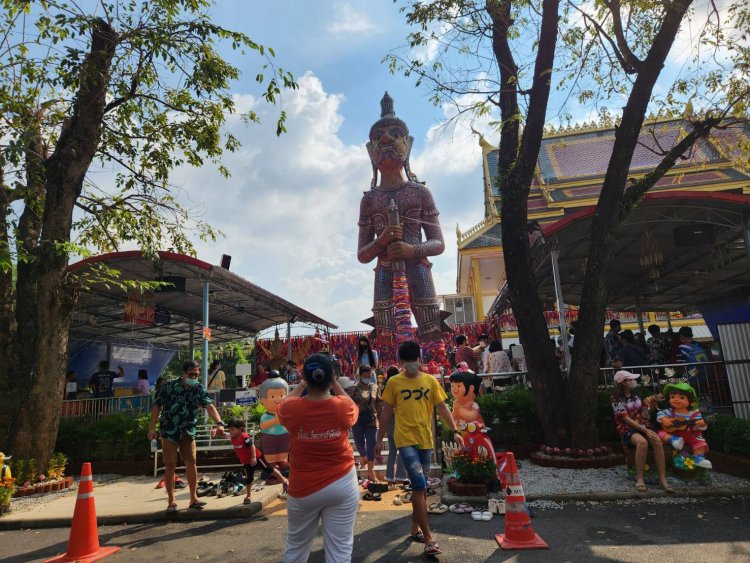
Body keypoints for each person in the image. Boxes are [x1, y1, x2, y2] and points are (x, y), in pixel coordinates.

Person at [357, 92, 447, 342]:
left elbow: (438, 243)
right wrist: (382, 240)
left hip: (418, 268)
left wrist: (410, 249)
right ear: (370, 151)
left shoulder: (420, 193)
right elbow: (362, 254)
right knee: (385, 337)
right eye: (378, 137)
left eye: (396, 134)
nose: (386, 139)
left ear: (408, 144)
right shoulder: (369, 200)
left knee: (432, 334)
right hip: (385, 271)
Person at [376, 341, 464, 557]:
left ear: (420, 359)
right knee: (418, 485)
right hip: (404, 440)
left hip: (426, 440)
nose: (412, 364)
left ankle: (415, 528)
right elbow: (386, 413)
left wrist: (454, 430)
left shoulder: (430, 380)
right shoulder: (394, 383)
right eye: (408, 361)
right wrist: (379, 439)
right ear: (402, 363)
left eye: (414, 360)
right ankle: (429, 538)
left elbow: (443, 406)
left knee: (421, 488)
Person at [277, 353, 359, 563]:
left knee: (296, 547)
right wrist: (335, 383)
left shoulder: (293, 409)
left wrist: (301, 384)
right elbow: (352, 406)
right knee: (340, 550)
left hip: (303, 486)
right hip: (342, 482)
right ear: (331, 377)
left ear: (305, 376)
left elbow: (282, 406)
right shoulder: (342, 406)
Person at [147, 360, 226, 512]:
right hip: (169, 430)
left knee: (192, 462)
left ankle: (193, 498)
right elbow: (156, 406)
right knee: (170, 465)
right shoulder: (168, 387)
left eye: (196, 374)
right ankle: (171, 501)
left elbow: (209, 405)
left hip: (188, 431)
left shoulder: (199, 388)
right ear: (183, 374)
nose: (194, 377)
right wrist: (152, 428)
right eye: (191, 374)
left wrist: (219, 423)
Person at [610, 370, 673, 494]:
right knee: (642, 442)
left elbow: (645, 412)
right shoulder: (615, 399)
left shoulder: (637, 394)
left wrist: (653, 406)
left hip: (644, 424)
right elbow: (625, 418)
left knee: (657, 442)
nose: (633, 381)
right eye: (630, 379)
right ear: (623, 382)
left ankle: (663, 479)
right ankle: (640, 478)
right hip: (627, 428)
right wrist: (643, 429)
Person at [224, 417, 289, 505]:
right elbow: (223, 434)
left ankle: (283, 480)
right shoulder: (231, 437)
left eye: (232, 429)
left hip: (257, 458)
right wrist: (217, 431)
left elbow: (252, 446)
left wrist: (254, 458)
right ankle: (248, 495)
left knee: (269, 469)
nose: (230, 431)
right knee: (249, 478)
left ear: (240, 429)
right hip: (247, 462)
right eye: (229, 429)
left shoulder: (244, 437)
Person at [348, 364, 381, 483]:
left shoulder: (375, 387)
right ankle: (363, 456)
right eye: (365, 375)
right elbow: (349, 404)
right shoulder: (354, 388)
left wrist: (382, 419)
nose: (367, 377)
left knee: (371, 443)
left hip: (372, 419)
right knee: (359, 442)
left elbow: (378, 403)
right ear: (360, 375)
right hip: (357, 419)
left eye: (369, 375)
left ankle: (371, 471)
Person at [383, 365, 408, 484]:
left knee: (392, 450)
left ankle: (389, 477)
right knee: (403, 448)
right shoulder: (395, 386)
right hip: (397, 423)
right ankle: (400, 476)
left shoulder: (386, 387)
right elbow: (393, 408)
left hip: (389, 423)